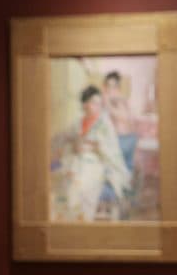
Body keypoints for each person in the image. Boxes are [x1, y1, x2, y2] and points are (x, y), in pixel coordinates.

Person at [51, 85, 131, 221]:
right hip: (75, 161)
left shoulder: (104, 124)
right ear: (85, 104)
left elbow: (111, 148)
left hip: (95, 164)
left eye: (99, 103)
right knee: (63, 182)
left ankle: (82, 220)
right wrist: (73, 143)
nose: (97, 106)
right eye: (93, 102)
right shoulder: (77, 122)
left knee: (80, 184)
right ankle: (66, 221)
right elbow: (62, 138)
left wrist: (94, 146)